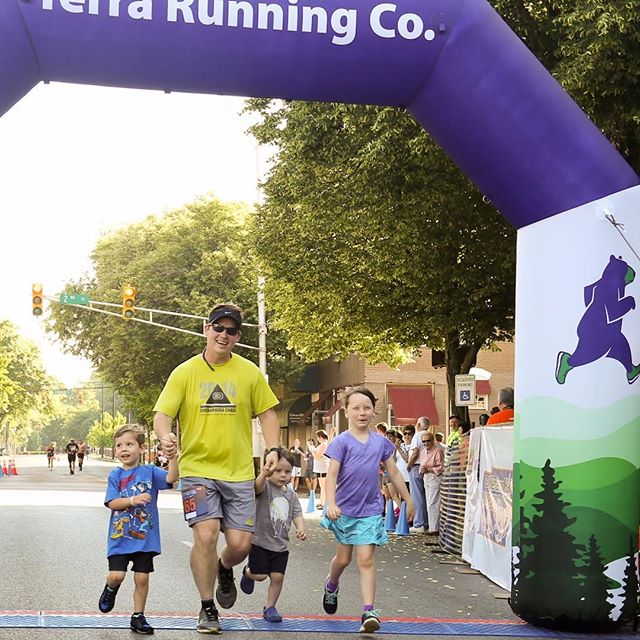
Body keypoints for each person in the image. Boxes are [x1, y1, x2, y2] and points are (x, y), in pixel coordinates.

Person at [153, 303, 281, 634]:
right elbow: (163, 415)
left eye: (232, 330)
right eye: (218, 328)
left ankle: (225, 567)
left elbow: (267, 413)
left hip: (238, 472)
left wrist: (273, 449)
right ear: (206, 329)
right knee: (206, 534)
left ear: (238, 336)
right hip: (197, 469)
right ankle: (207, 607)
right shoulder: (184, 372)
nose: (224, 335)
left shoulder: (249, 372)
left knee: (239, 545)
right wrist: (166, 436)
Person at [320, 387, 414, 634]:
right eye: (356, 408)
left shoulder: (381, 443)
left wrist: (407, 500)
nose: (362, 413)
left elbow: (393, 472)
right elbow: (331, 475)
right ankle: (331, 585)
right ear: (346, 411)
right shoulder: (341, 442)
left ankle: (369, 610)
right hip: (343, 511)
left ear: (373, 410)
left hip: (371, 511)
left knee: (366, 559)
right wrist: (330, 502)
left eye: (366, 408)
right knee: (343, 559)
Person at [98, 424, 178, 635]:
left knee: (142, 578)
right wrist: (133, 500)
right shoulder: (115, 475)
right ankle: (110, 589)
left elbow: (171, 479)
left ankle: (138, 616)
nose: (124, 449)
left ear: (142, 448)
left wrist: (173, 457)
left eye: (129, 444)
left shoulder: (150, 472)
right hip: (120, 537)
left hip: (145, 538)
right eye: (119, 445)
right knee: (116, 576)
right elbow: (112, 502)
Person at [239, 448, 306, 622]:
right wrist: (264, 473)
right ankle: (247, 573)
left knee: (278, 577)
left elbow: (297, 513)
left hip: (280, 545)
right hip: (259, 542)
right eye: (277, 470)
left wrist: (300, 528)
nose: (283, 475)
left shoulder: (291, 494)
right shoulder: (265, 487)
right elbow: (256, 487)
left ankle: (270, 607)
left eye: (287, 471)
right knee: (260, 576)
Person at [418, 432, 445, 536]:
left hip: (435, 477)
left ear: (433, 440)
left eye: (428, 440)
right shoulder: (423, 452)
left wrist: (429, 469)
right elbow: (421, 465)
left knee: (433, 502)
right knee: (429, 502)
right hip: (426, 477)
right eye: (424, 441)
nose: (426, 443)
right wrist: (422, 470)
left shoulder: (438, 451)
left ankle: (434, 528)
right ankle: (432, 526)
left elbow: (441, 466)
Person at [407, 417, 430, 533]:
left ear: (419, 424)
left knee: (417, 495)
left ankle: (419, 523)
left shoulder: (418, 435)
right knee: (424, 495)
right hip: (425, 466)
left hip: (416, 466)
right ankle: (426, 522)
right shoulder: (429, 435)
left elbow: (415, 452)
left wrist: (409, 464)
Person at [309, 428, 333, 508]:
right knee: (322, 486)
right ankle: (322, 502)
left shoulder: (323, 445)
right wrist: (331, 433)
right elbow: (329, 440)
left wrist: (311, 449)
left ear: (320, 437)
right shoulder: (324, 443)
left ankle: (324, 503)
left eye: (318, 437)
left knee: (323, 486)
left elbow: (317, 456)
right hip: (321, 468)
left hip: (323, 468)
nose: (318, 439)